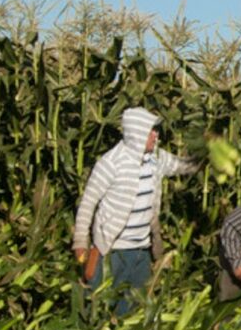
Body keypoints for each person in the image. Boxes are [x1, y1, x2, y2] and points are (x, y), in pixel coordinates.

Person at [72, 106, 198, 314]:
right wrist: (80, 242)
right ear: (137, 133)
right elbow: (88, 203)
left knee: (132, 312)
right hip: (112, 252)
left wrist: (208, 156)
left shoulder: (156, 159)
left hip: (141, 252)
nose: (156, 135)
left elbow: (182, 166)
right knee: (98, 309)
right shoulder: (111, 163)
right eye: (152, 131)